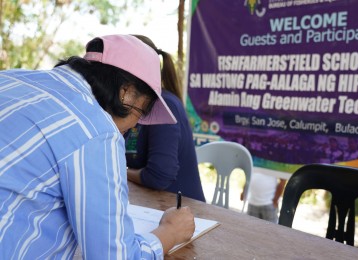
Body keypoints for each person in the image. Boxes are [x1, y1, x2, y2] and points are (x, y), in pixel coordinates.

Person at [0, 34, 195, 259]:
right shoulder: (96, 131)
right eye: (141, 113)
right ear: (127, 93)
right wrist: (169, 232)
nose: (133, 127)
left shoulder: (11, 78)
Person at [125, 35, 205, 202]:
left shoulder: (164, 106)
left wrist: (119, 171)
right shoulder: (133, 106)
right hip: (150, 204)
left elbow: (159, 176)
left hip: (181, 211)